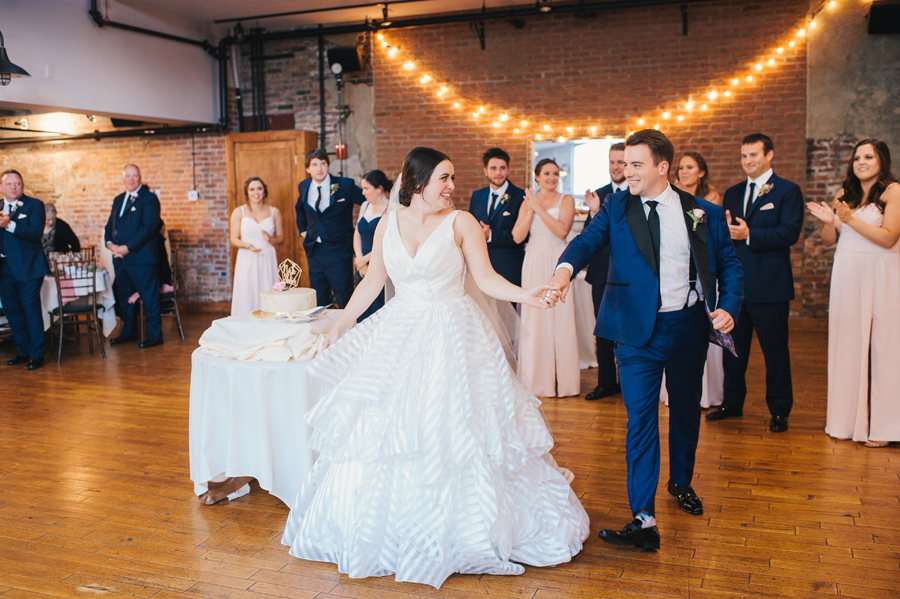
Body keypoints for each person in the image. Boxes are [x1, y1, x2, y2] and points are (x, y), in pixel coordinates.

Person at [281, 147, 589, 588]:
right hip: (401, 331)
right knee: (390, 426)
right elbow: (373, 281)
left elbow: (484, 280)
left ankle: (468, 528)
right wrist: (340, 325)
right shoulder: (389, 221)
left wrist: (529, 295)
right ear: (416, 181)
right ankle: (387, 531)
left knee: (459, 426)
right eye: (443, 179)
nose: (451, 187)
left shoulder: (461, 223)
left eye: (452, 179)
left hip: (454, 332)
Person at [546, 130, 743, 548]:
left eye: (635, 164)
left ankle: (682, 482)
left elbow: (729, 263)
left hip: (688, 327)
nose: (625, 170)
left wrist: (729, 306)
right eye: (623, 163)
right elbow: (585, 243)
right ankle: (643, 517)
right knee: (641, 421)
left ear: (662, 167)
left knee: (687, 410)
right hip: (636, 335)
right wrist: (563, 272)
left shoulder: (702, 212)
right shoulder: (616, 206)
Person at [707, 133, 804, 433]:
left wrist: (749, 234)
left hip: (771, 286)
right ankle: (732, 404)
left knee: (775, 353)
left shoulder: (787, 191)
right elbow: (727, 236)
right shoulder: (733, 192)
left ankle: (779, 410)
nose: (747, 161)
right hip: (736, 289)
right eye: (743, 156)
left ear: (769, 155)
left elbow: (790, 233)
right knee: (732, 350)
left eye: (754, 155)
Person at [807, 139, 900, 448]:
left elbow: (888, 238)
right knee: (847, 344)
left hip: (881, 273)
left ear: (881, 161)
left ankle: (883, 427)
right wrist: (829, 223)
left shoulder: (893, 192)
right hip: (847, 274)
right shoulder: (843, 194)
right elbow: (829, 240)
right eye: (857, 157)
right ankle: (846, 420)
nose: (861, 162)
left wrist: (849, 220)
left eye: (868, 157)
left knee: (884, 347)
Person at [513, 158, 579, 397]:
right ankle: (536, 381)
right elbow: (518, 237)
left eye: (555, 174)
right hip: (533, 260)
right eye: (547, 173)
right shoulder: (528, 202)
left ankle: (564, 382)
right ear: (537, 176)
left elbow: (563, 230)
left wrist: (539, 208)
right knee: (534, 316)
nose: (552, 177)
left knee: (560, 316)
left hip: (557, 259)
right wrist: (530, 208)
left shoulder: (566, 200)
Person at [582, 142, 628, 401]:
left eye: (621, 161)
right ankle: (606, 382)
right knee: (603, 330)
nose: (616, 166)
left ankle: (629, 382)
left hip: (629, 275)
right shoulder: (598, 195)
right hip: (602, 273)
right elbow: (589, 236)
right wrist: (593, 212)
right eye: (612, 161)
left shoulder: (637, 192)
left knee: (628, 329)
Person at [295, 149, 365, 308]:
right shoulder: (304, 186)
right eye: (314, 164)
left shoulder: (344, 185)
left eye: (323, 163)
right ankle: (324, 332)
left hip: (339, 251)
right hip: (314, 250)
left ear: (328, 165)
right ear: (308, 169)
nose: (319, 168)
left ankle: (349, 331)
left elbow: (367, 200)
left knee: (344, 297)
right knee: (319, 299)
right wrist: (303, 230)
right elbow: (299, 207)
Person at [104, 164, 163, 348]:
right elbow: (110, 226)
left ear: (140, 177)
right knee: (125, 296)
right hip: (120, 258)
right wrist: (111, 245)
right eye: (128, 176)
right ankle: (128, 332)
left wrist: (127, 248)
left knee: (149, 297)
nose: (131, 179)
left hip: (141, 257)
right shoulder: (118, 199)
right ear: (123, 178)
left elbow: (149, 227)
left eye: (134, 175)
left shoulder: (149, 199)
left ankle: (155, 335)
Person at [0, 169, 50, 370]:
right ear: (2, 187)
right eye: (9, 184)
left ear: (23, 186)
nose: (14, 187)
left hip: (29, 269)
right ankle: (23, 350)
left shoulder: (34, 205)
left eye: (17, 184)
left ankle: (37, 354)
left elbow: (36, 233)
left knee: (31, 311)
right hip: (4, 268)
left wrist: (10, 224)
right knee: (12, 311)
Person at [468, 147, 527, 286]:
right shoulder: (477, 196)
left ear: (508, 169)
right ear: (485, 171)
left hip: (508, 265)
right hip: (480, 265)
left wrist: (491, 235)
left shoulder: (521, 196)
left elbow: (523, 235)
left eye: (502, 168)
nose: (498, 173)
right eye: (493, 168)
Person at [230, 177, 284, 316]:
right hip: (247, 256)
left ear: (264, 191)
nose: (256, 192)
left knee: (267, 290)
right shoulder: (239, 212)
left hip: (267, 256)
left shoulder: (274, 212)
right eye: (252, 189)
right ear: (247, 193)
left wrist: (270, 239)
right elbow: (233, 238)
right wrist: (247, 245)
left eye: (259, 188)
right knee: (247, 291)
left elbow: (281, 238)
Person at [353, 169, 391, 322]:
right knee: (363, 307)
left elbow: (388, 241)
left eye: (366, 188)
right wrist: (359, 260)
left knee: (378, 308)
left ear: (379, 189)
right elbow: (357, 234)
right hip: (362, 266)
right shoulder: (365, 206)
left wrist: (366, 260)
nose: (363, 193)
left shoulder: (391, 209)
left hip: (380, 263)